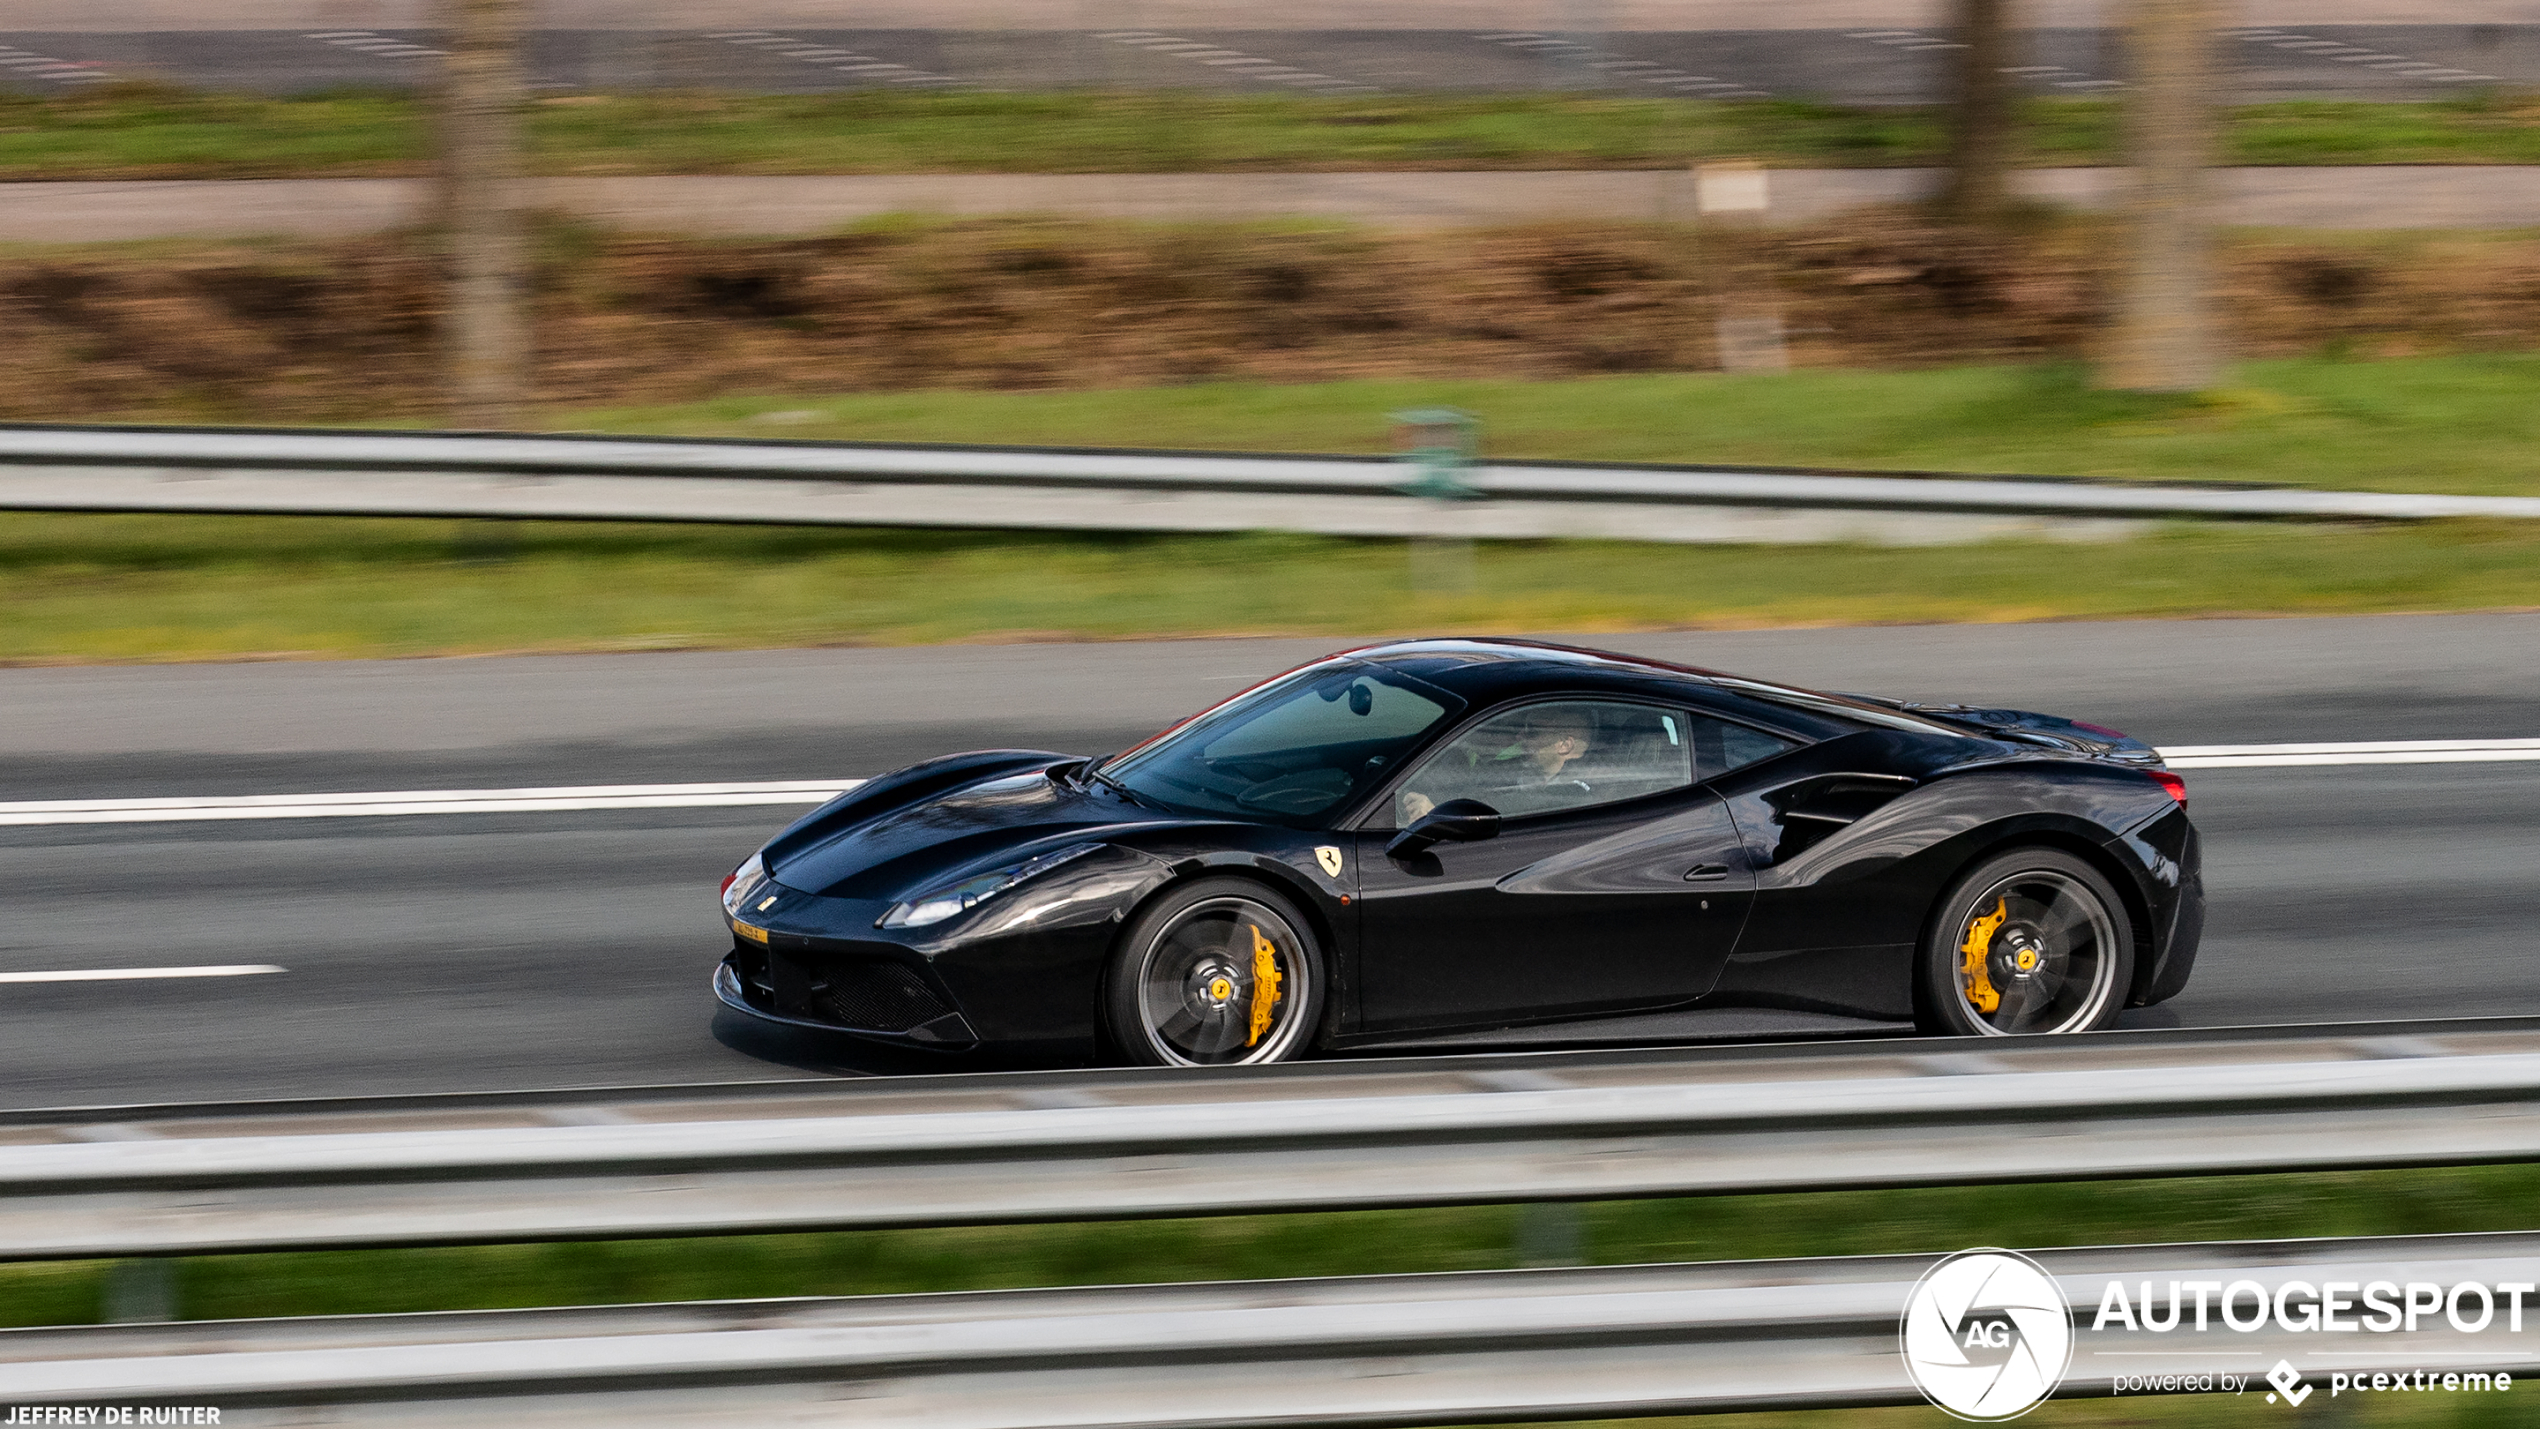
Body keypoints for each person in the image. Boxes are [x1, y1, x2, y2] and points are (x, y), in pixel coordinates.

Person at [1398, 705, 1596, 825]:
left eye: (1532, 732)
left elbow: (1509, 818)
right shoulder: (1503, 769)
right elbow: (1466, 791)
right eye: (1522, 729)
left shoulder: (1575, 795)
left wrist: (1438, 815)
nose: (1520, 737)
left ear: (1564, 745)